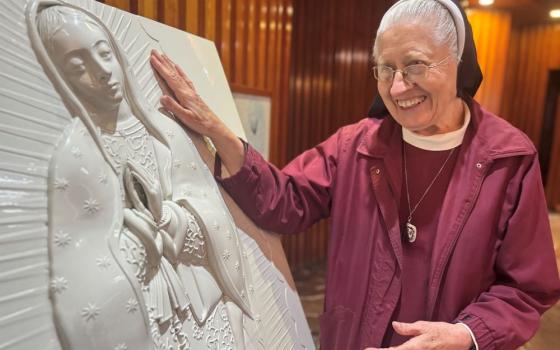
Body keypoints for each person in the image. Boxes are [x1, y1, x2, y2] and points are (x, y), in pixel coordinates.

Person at [150, 0, 560, 349]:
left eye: (414, 65)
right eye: (384, 69)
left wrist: (467, 333)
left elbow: (527, 288)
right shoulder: (356, 147)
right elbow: (284, 201)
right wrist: (219, 132)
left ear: (457, 61)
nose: (398, 87)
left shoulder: (507, 160)